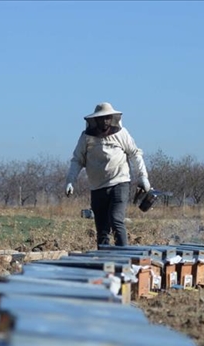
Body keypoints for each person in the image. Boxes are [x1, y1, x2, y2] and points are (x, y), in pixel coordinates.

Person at [65, 102, 151, 248]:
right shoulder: (86, 137)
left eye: (107, 118)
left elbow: (135, 153)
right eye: (101, 118)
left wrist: (143, 176)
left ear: (112, 119)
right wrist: (70, 181)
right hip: (97, 187)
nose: (105, 121)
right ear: (95, 120)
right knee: (102, 229)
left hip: (120, 183)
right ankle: (104, 263)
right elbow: (77, 159)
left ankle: (123, 259)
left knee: (116, 220)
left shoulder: (121, 133)